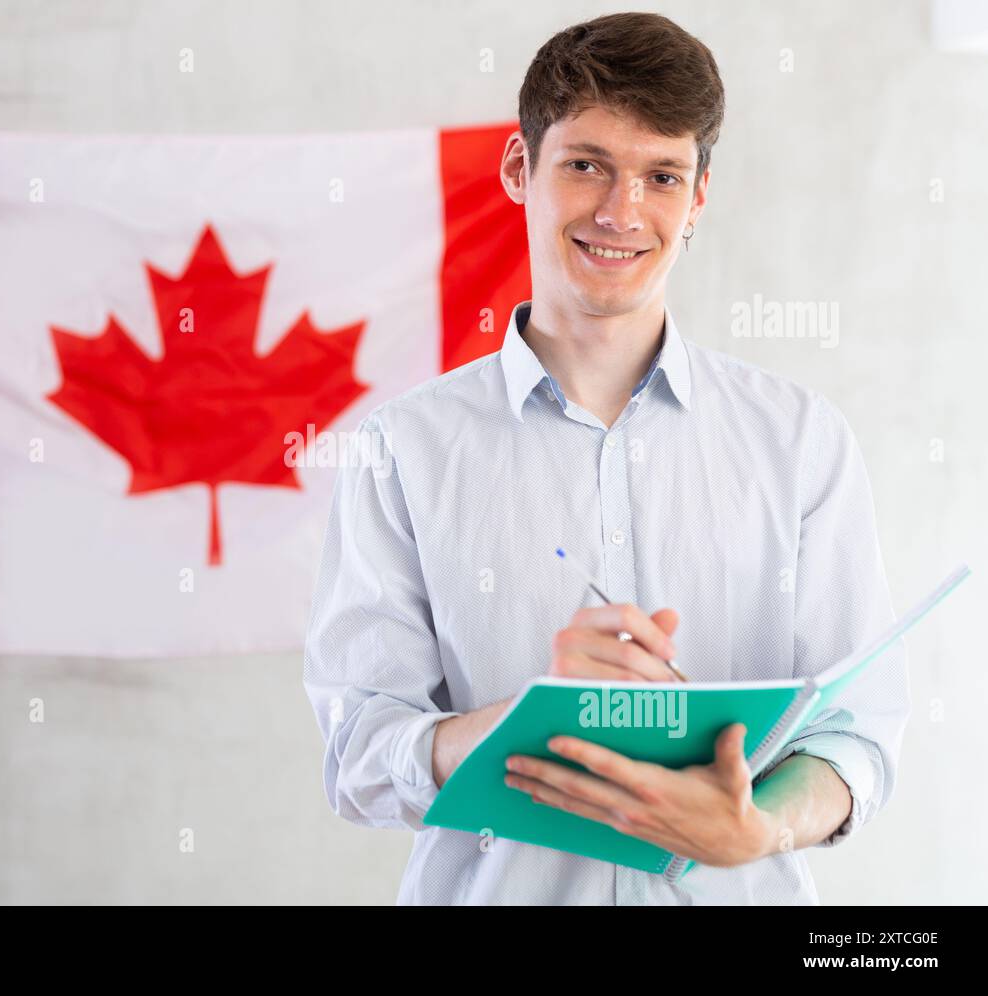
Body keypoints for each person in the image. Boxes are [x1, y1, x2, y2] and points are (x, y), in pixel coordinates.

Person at [302, 11, 910, 904]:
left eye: (661, 175)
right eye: (587, 164)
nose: (622, 212)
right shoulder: (402, 449)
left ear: (698, 198)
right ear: (521, 169)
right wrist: (525, 724)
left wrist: (758, 825)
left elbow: (857, 735)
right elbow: (359, 753)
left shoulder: (801, 440)